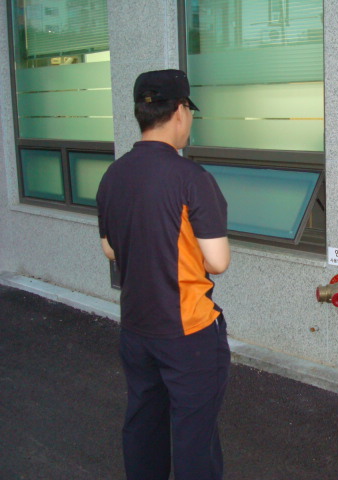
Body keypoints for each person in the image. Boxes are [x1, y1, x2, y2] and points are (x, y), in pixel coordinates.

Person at [96, 69, 231, 480]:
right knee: (193, 439)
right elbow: (217, 261)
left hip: (136, 329)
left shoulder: (114, 174)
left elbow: (110, 249)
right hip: (187, 333)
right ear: (180, 110)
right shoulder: (191, 178)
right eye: (189, 111)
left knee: (144, 425)